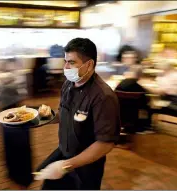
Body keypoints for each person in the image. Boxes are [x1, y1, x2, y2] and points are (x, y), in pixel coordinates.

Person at [35, 38, 120, 190]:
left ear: (89, 64)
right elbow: (64, 114)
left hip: (86, 165)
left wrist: (66, 166)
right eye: (65, 61)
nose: (66, 67)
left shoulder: (103, 97)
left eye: (72, 62)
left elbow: (105, 144)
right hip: (63, 152)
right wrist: (44, 118)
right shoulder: (68, 84)